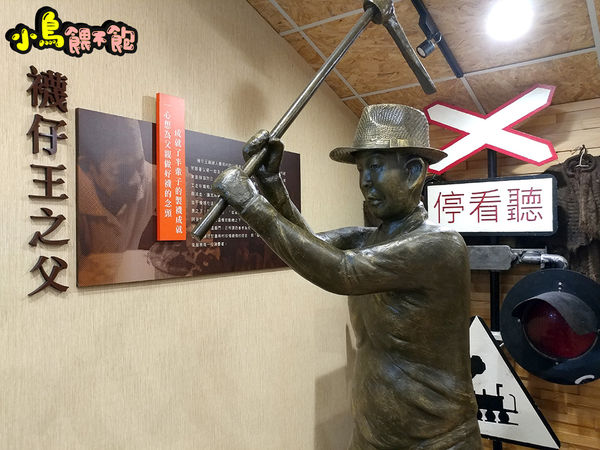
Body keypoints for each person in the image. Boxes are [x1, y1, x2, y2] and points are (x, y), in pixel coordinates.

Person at [212, 104, 482, 449]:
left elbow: (342, 271)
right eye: (361, 169)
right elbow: (308, 246)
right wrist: (270, 182)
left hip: (436, 442)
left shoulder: (439, 245)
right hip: (372, 435)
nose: (365, 181)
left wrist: (251, 204)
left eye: (376, 166)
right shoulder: (369, 240)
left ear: (414, 172)